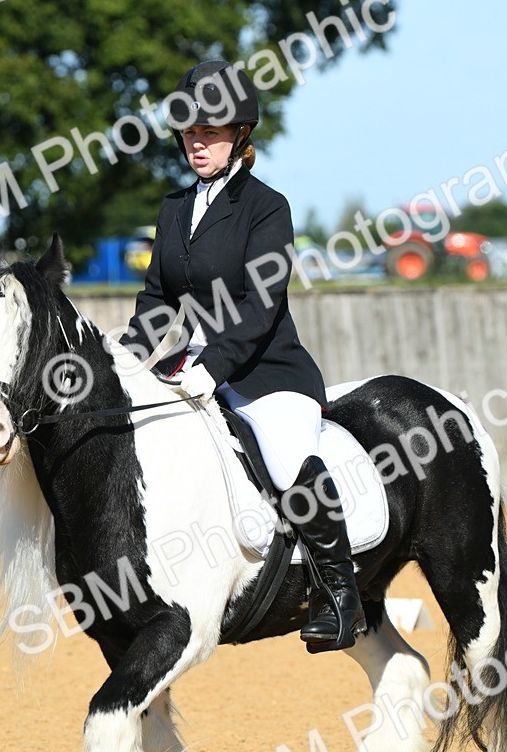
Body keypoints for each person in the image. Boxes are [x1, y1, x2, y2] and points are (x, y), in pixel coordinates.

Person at [121, 61, 365, 652]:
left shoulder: (266, 207)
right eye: (188, 132)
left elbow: (260, 304)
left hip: (267, 373)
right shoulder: (175, 208)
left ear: (239, 135)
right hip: (195, 369)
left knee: (285, 460)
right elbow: (158, 300)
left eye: (210, 131)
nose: (196, 142)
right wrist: (127, 364)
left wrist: (213, 366)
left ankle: (341, 595)